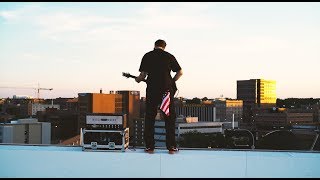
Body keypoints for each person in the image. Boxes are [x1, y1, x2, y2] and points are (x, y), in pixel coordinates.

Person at [135, 39, 183, 154]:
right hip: (166, 90)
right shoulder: (169, 56)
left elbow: (143, 75)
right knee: (169, 118)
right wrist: (172, 81)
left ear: (155, 46)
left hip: (152, 89)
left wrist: (138, 80)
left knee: (150, 117)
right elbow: (180, 72)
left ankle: (150, 147)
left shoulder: (147, 56)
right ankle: (171, 146)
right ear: (164, 47)